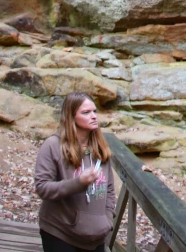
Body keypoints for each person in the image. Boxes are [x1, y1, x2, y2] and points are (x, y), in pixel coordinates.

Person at [35, 91, 116, 252]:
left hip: (96, 235)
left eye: (94, 111)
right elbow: (42, 188)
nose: (93, 116)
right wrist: (78, 183)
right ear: (71, 117)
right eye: (86, 113)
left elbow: (109, 189)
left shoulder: (100, 148)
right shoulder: (52, 146)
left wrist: (107, 218)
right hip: (61, 233)